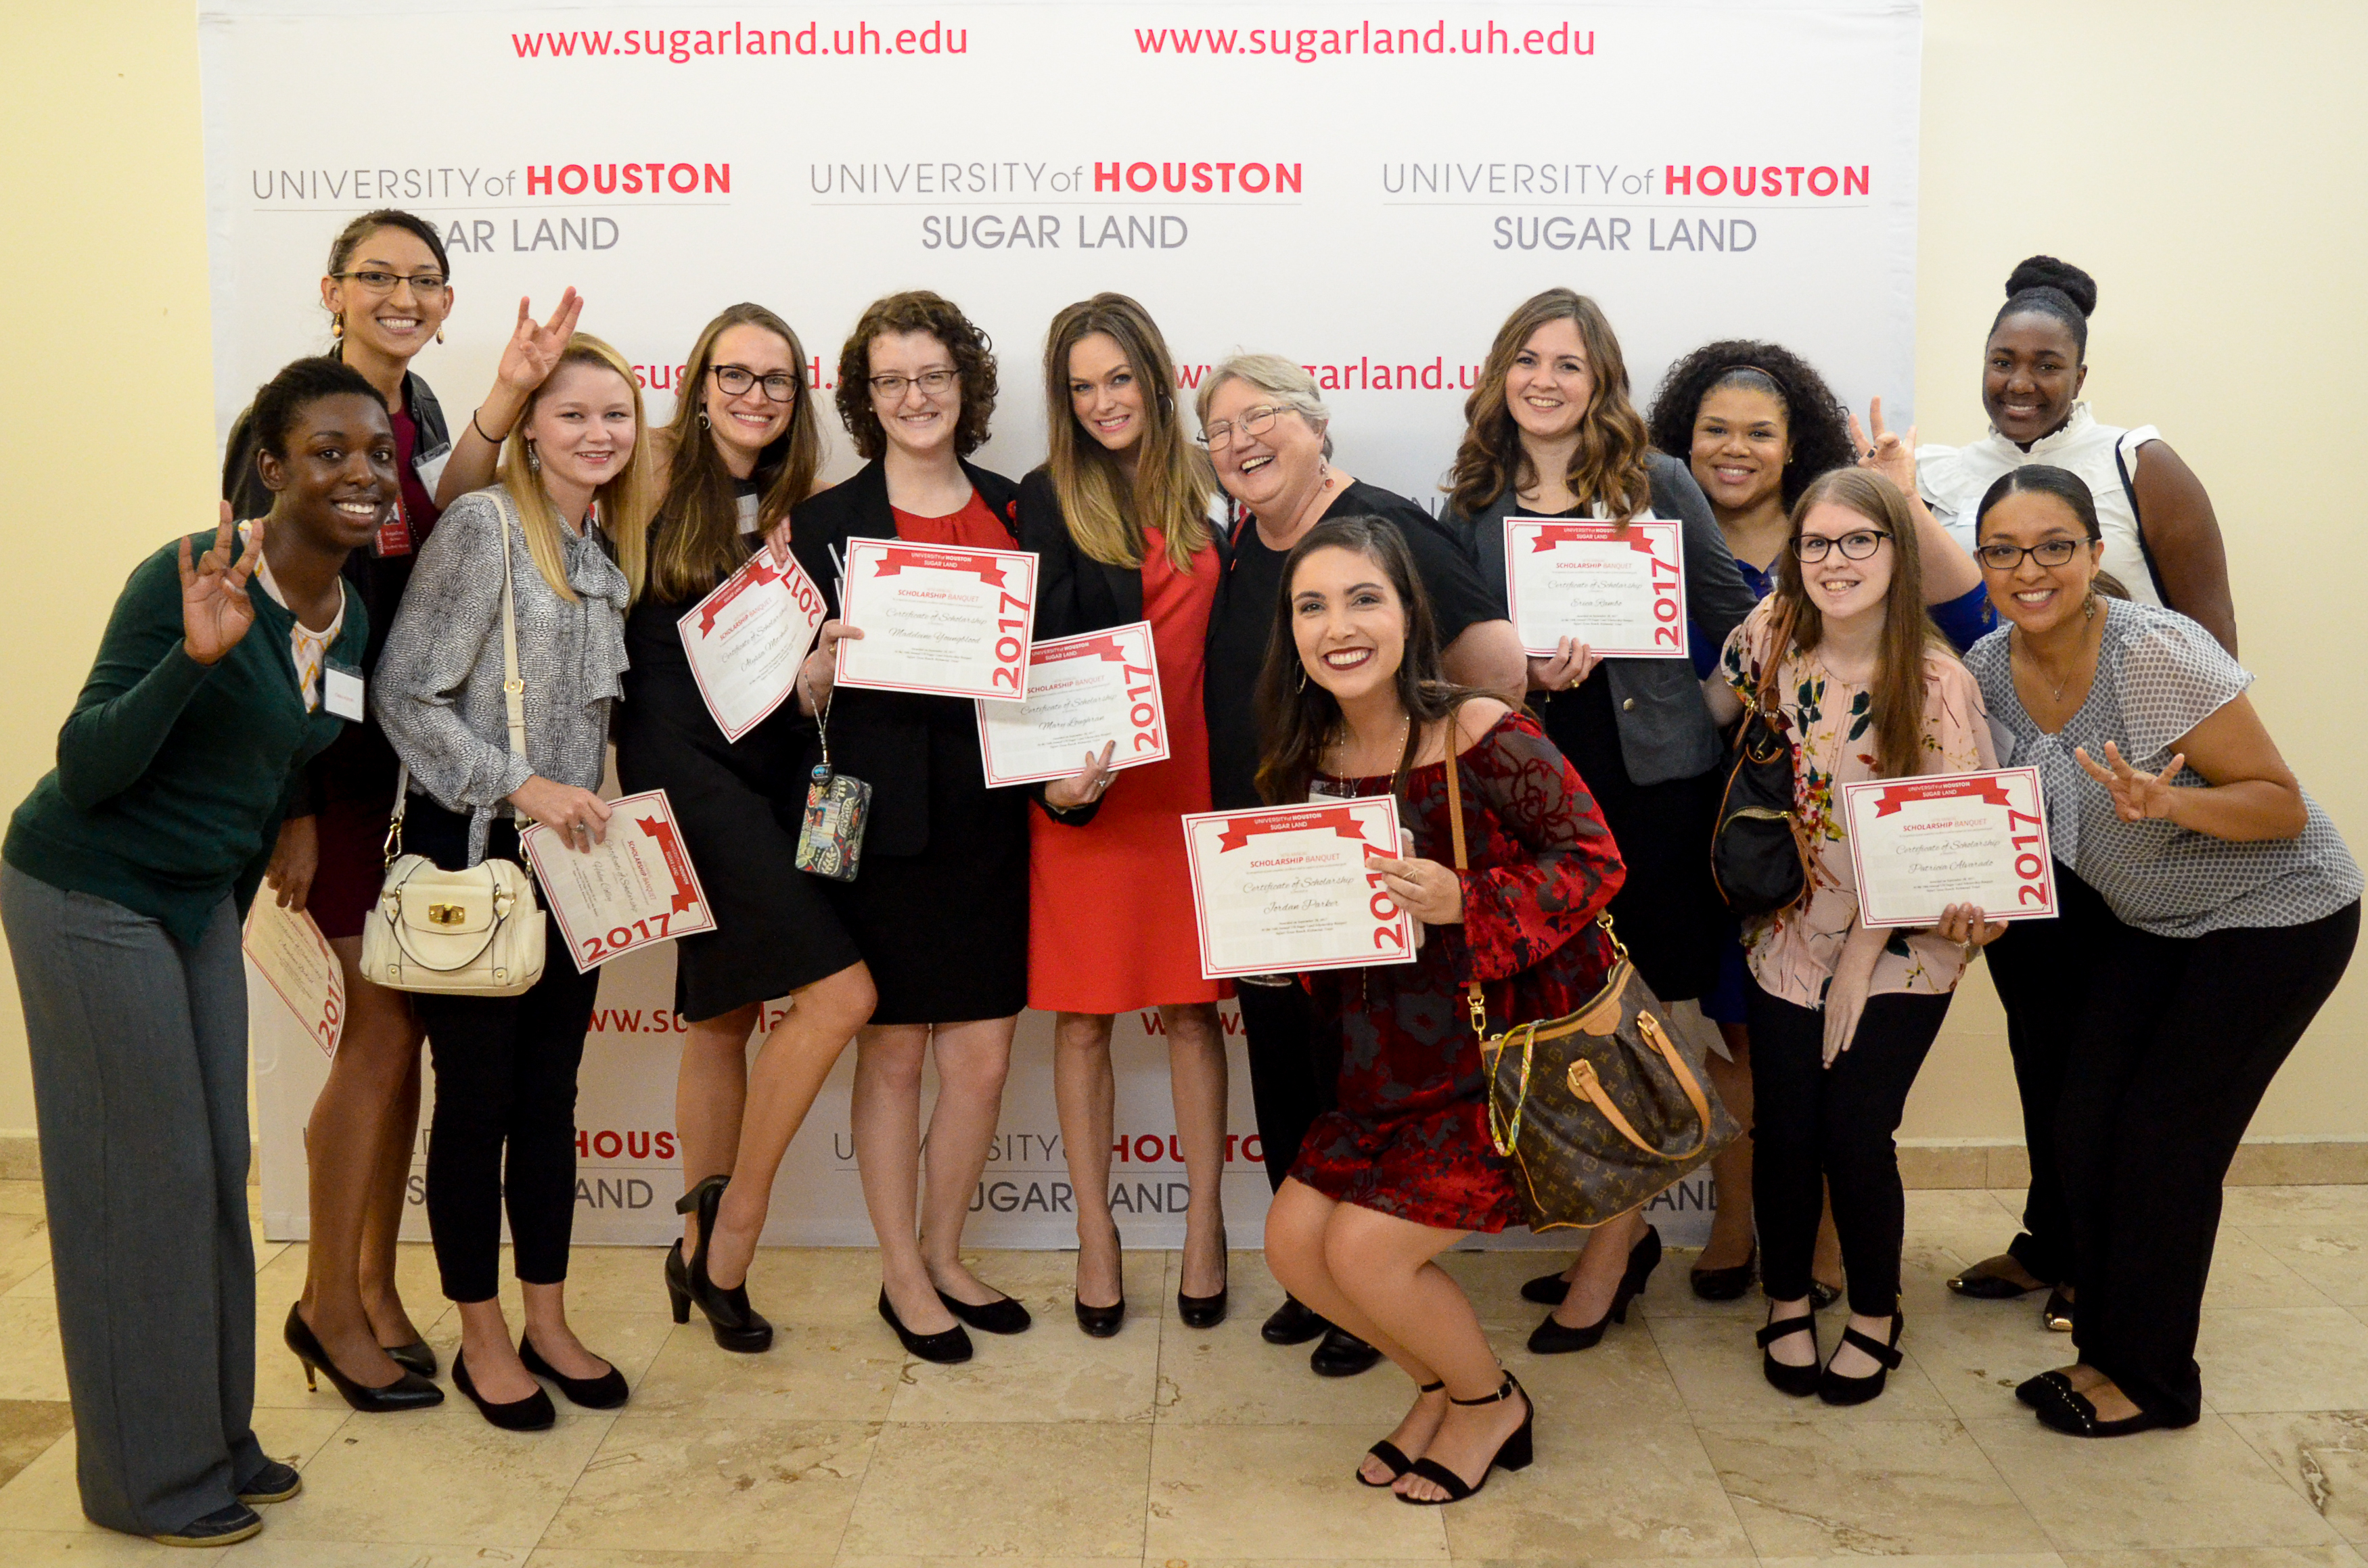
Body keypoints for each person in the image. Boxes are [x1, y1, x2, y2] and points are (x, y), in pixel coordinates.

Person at [1, 357, 396, 1546]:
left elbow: (290, 756)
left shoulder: (349, 609)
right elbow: (90, 763)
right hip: (86, 888)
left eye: (375, 452)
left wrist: (268, 851)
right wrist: (195, 656)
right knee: (140, 1184)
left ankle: (215, 1436)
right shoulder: (191, 574)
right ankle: (146, 1483)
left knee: (219, 1162)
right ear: (270, 467)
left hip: (193, 906)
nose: (360, 473)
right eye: (328, 451)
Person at [221, 208, 582, 1404]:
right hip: (328, 768)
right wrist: (297, 804)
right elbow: (273, 634)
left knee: (408, 1041)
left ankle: (374, 1286)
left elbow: (431, 542)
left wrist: (497, 401)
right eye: (378, 275)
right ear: (332, 287)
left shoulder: (416, 414)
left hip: (412, 772)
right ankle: (328, 1304)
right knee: (376, 1039)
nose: (403, 294)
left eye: (424, 278)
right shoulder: (285, 422)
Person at [1965, 465, 2359, 1436]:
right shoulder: (1983, 666)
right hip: (2156, 921)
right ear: (1981, 565)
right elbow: (1997, 820)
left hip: (2275, 915)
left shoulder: (2153, 652)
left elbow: (2278, 801)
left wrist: (2168, 798)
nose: (2030, 568)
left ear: (2095, 556)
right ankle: (2102, 1350)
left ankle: (2152, 1381)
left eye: (2055, 545)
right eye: (2005, 549)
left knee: (2163, 1145)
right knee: (2085, 1120)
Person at [1257, 515, 1625, 1504]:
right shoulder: (1309, 754)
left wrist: (1468, 898)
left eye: (1363, 597)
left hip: (1489, 1063)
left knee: (1369, 1254)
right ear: (1290, 629)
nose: (1339, 625)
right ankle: (1439, 1388)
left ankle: (1489, 1399)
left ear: (1409, 612)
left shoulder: (1480, 728)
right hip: (1376, 1066)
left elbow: (1595, 860)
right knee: (1295, 1244)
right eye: (1313, 604)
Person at [1644, 338, 1995, 1305]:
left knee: (1833, 1096)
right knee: (1745, 1057)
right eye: (1715, 427)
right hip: (1733, 854)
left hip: (1863, 895)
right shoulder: (1660, 541)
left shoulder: (1906, 637)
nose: (1735, 446)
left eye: (1760, 430)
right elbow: (1693, 704)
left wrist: (1901, 500)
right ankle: (1745, 1227)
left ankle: (1834, 1251)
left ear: (1794, 445)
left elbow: (1973, 625)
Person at [1196, 353, 1525, 1375]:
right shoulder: (1247, 545)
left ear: (1318, 421)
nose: (1242, 441)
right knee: (1289, 1069)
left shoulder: (1387, 525)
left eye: (1263, 418)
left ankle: (1368, 1289)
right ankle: (1321, 1278)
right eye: (1220, 429)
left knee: (1365, 1076)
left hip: (1375, 867)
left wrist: (1427, 797)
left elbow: (1493, 669)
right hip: (1267, 872)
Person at [1442, 288, 1756, 1350]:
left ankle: (1607, 1255)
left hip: (1654, 795)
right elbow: (1445, 654)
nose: (1544, 379)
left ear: (1600, 381)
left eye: (1568, 363)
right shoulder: (1474, 498)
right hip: (1532, 801)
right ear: (1500, 372)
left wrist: (1719, 694)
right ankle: (1619, 1241)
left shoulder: (1659, 481)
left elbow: (1737, 611)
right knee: (1564, 1015)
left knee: (1644, 1023)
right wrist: (1514, 671)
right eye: (1526, 357)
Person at [374, 333, 654, 1429]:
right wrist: (521, 785)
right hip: (474, 854)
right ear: (529, 425)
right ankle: (479, 1332)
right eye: (573, 412)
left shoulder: (601, 548)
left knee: (551, 1102)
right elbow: (406, 692)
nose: (597, 432)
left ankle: (548, 1316)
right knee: (478, 1104)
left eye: (615, 415)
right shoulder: (485, 527)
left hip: (569, 865)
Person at [1701, 468, 1999, 1406]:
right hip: (1793, 925)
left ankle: (1875, 1311)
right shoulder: (1772, 635)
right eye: (1816, 543)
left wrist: (1862, 959)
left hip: (1903, 937)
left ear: (1897, 553)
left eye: (1858, 541)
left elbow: (1938, 847)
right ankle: (1785, 1299)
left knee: (1856, 1132)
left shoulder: (1938, 682)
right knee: (1786, 1128)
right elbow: (1711, 713)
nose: (1835, 561)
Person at [613, 303, 876, 1352]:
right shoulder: (647, 472)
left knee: (724, 1011)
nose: (754, 394)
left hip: (774, 765)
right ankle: (731, 1226)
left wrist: (821, 671)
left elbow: (810, 665)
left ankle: (698, 1245)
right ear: (698, 378)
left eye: (775, 379)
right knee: (830, 992)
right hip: (679, 765)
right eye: (736, 373)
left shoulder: (810, 503)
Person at [788, 291, 1031, 1365]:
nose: (915, 397)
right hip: (880, 827)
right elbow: (783, 694)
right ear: (865, 397)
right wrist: (814, 675)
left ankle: (944, 1249)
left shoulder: (1021, 509)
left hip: (993, 821)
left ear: (966, 386)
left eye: (932, 376)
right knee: (890, 1058)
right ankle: (898, 1272)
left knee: (980, 1060)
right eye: (892, 381)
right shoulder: (823, 520)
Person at [1018, 294, 1230, 1335]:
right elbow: (1030, 665)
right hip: (1096, 793)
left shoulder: (1214, 482)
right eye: (1081, 386)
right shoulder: (1048, 495)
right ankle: (1095, 1234)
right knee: (1086, 1017)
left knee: (1194, 1011)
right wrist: (1058, 787)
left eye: (1118, 378)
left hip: (1200, 783)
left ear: (1155, 375)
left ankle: (1204, 1228)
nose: (1104, 401)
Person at [1918, 255, 2236, 651]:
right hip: (1972, 711)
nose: (2019, 384)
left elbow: (2213, 637)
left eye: (2047, 367)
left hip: (2133, 706)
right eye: (2002, 362)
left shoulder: (2140, 464)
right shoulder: (1931, 478)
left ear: (2079, 378)